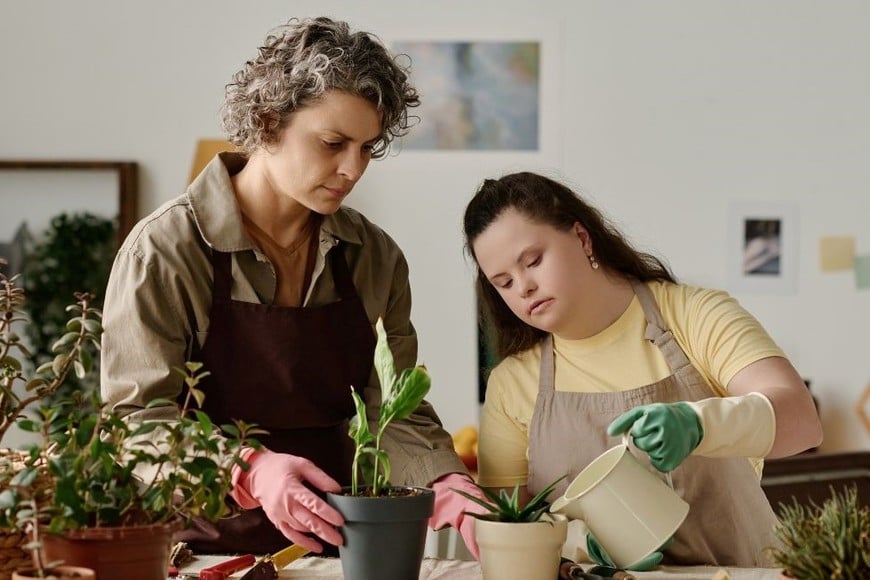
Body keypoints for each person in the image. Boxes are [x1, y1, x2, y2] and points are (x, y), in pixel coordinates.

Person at [101, 16, 485, 557]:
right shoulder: (165, 250)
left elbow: (392, 406)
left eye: (368, 149)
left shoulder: (374, 257)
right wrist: (251, 469)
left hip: (339, 541)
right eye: (333, 143)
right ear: (267, 121)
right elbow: (136, 419)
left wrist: (446, 482)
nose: (353, 169)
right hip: (196, 549)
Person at [462, 172, 823, 568]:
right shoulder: (511, 383)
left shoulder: (694, 316)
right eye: (504, 282)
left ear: (582, 239)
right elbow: (509, 531)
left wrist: (700, 425)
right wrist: (578, 544)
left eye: (533, 261)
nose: (523, 287)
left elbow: (802, 422)